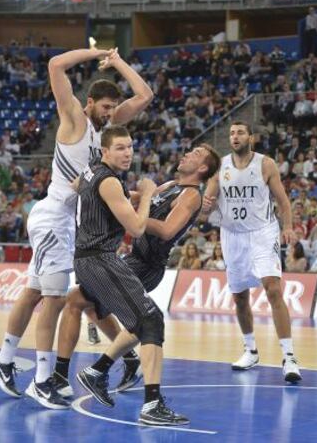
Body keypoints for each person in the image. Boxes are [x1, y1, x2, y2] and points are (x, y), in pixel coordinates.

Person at [0, 47, 153, 409]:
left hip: (69, 223)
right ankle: (43, 380)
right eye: (105, 108)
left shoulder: (106, 133)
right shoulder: (75, 118)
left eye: (113, 109)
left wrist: (119, 62)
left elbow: (145, 96)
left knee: (33, 293)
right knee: (56, 298)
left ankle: (3, 360)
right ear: (90, 102)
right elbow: (55, 64)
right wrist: (98, 52)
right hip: (53, 217)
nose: (110, 114)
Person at [53, 143, 220, 406]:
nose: (188, 153)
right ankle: (113, 365)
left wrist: (128, 217)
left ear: (202, 168)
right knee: (85, 304)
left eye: (196, 154)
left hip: (147, 265)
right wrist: (112, 195)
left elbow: (166, 231)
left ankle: (90, 371)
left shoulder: (191, 195)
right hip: (132, 258)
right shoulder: (170, 186)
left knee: (115, 312)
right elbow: (135, 198)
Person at [73, 125, 189, 425]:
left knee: (145, 319)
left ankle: (97, 372)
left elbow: (79, 186)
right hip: (99, 259)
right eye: (121, 148)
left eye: (130, 147)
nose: (128, 153)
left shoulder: (92, 172)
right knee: (150, 319)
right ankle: (151, 406)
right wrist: (148, 194)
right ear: (105, 151)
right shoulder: (109, 181)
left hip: (92, 259)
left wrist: (144, 193)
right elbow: (136, 228)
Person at [203, 121, 302, 383]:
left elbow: (282, 200)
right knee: (239, 298)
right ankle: (250, 350)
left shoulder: (265, 164)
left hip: (262, 232)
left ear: (251, 137)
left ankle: (289, 357)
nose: (235, 136)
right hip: (232, 235)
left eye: (240, 132)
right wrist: (204, 204)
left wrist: (288, 226)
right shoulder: (220, 166)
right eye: (232, 133)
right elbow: (207, 207)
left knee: (273, 289)